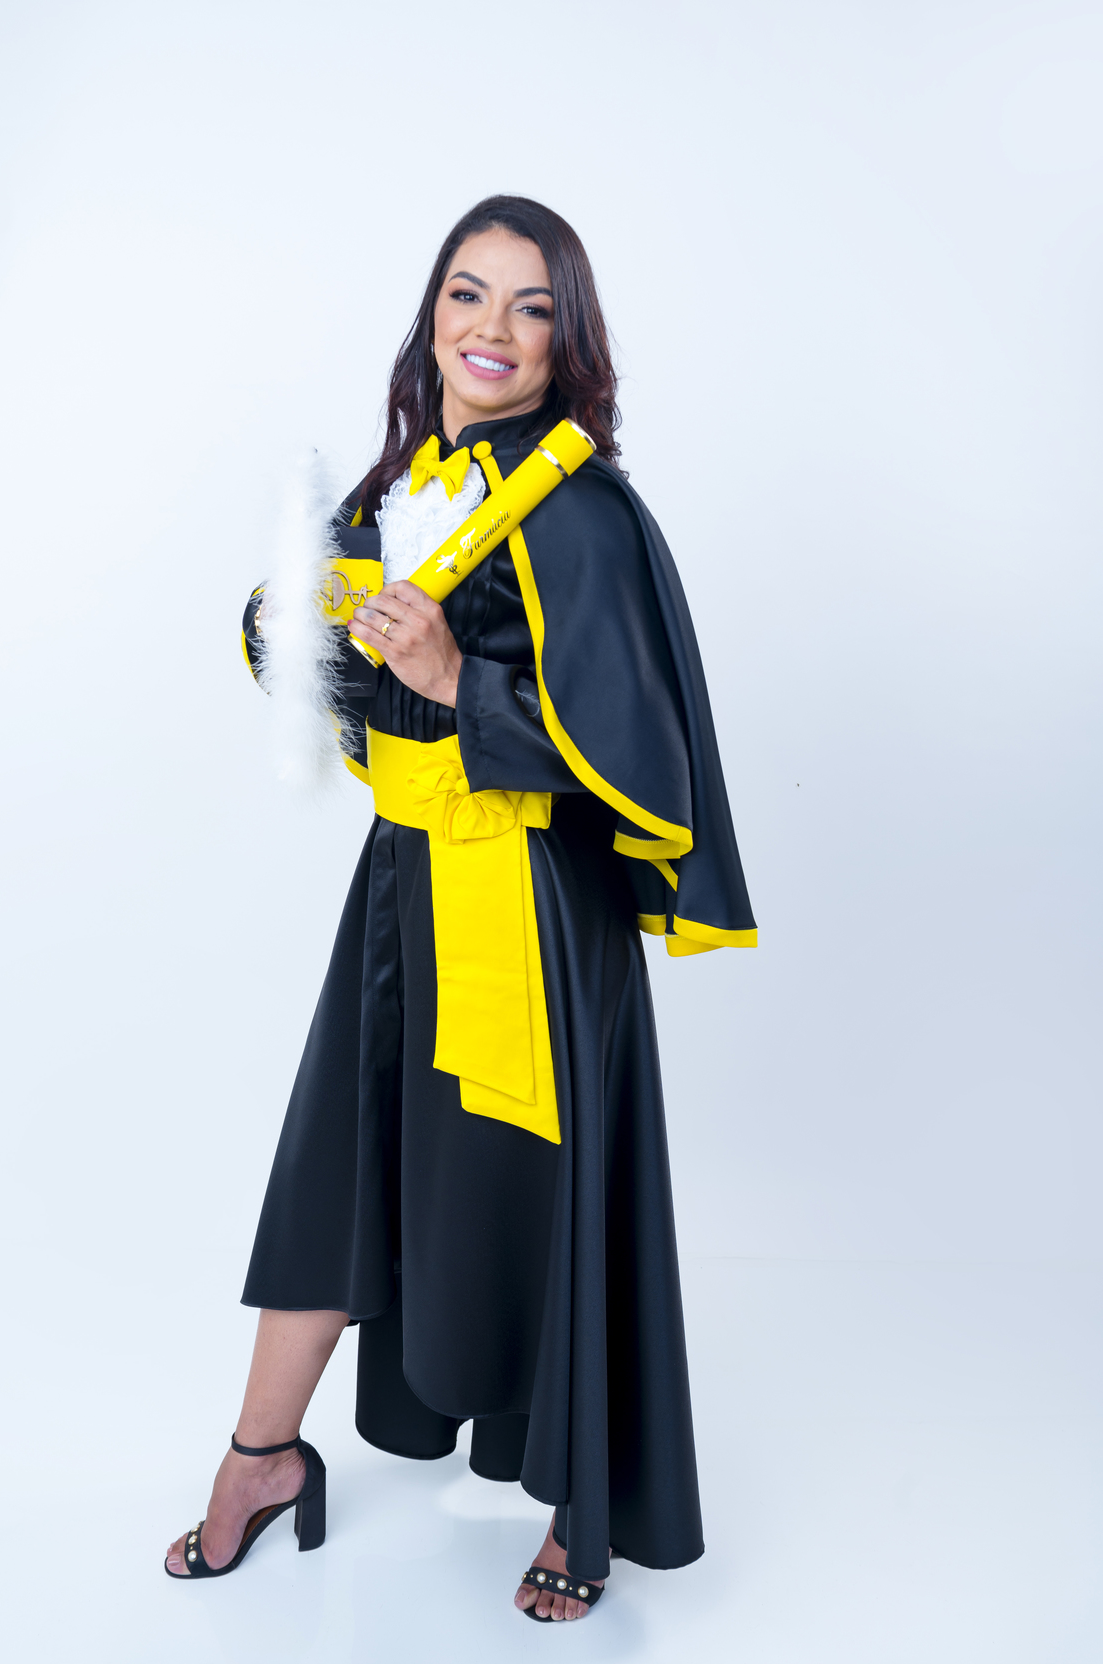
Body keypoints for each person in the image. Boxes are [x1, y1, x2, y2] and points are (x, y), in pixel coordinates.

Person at [165, 195, 756, 1622]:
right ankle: (261, 1457)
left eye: (531, 306)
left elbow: (643, 758)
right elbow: (333, 685)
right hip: (403, 891)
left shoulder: (587, 512)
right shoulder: (400, 490)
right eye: (468, 295)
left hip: (540, 913)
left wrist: (455, 682)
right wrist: (290, 624)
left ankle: (577, 1511)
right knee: (336, 1170)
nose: (494, 329)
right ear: (431, 318)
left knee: (546, 1198)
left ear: (568, 340)